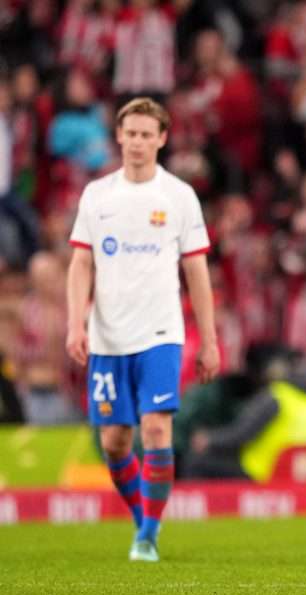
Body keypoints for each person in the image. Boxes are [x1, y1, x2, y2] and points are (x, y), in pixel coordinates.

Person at [65, 97, 219, 562]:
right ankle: (142, 516)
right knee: (114, 443)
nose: (136, 142)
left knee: (155, 428)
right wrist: (75, 323)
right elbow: (80, 263)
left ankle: (147, 535)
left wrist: (209, 340)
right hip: (108, 337)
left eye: (146, 134)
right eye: (130, 133)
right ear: (118, 135)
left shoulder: (178, 196)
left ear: (161, 139)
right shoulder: (97, 195)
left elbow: (196, 271)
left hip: (160, 333)